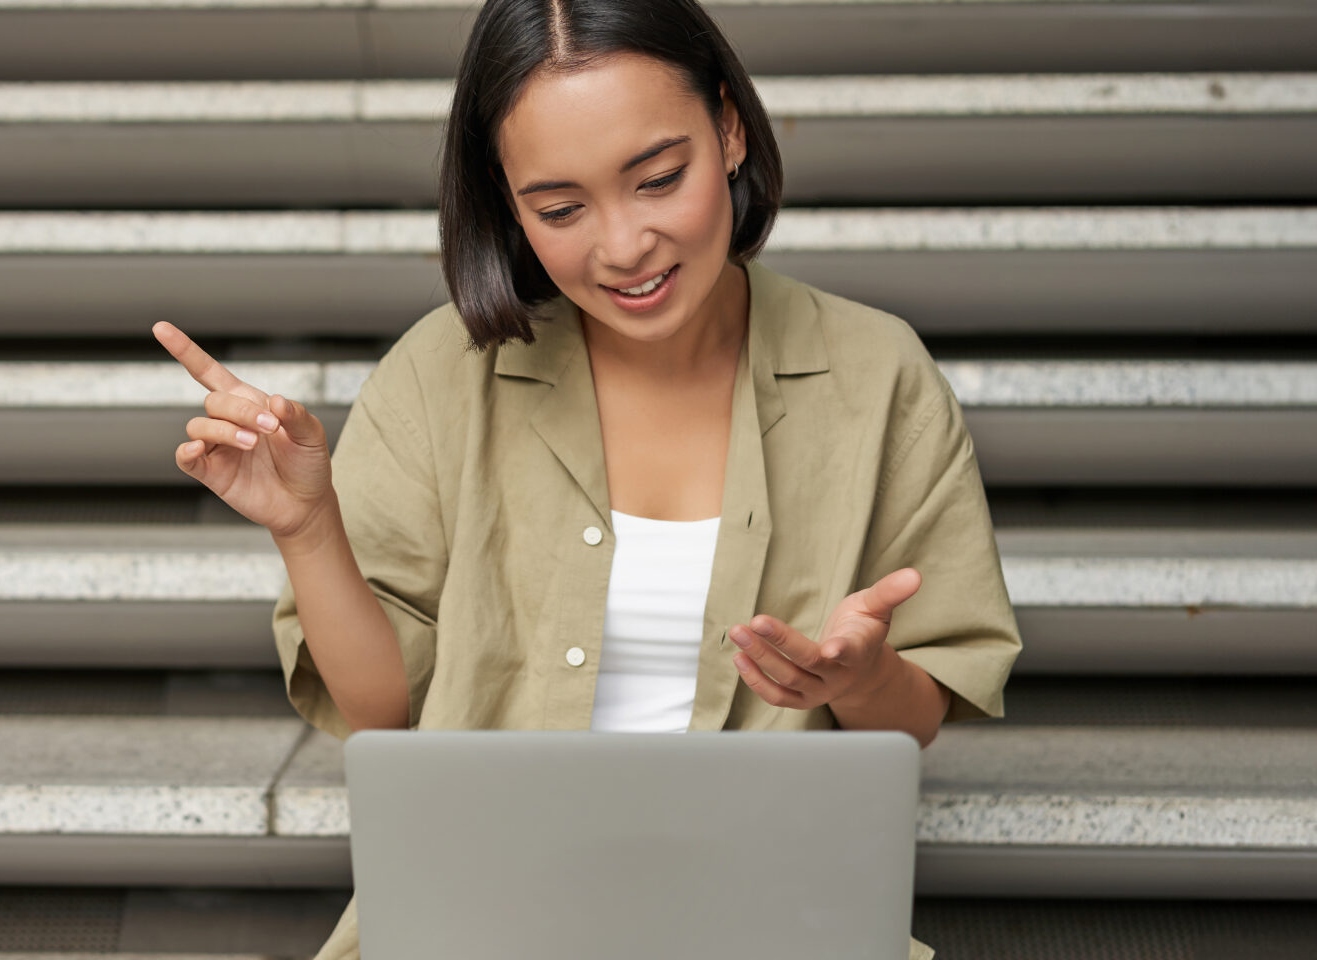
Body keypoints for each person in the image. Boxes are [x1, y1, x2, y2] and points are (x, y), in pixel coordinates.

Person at [152, 0, 1022, 955]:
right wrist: (308, 528)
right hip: (487, 924)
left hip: (766, 924)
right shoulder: (441, 375)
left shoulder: (877, 374)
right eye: (560, 209)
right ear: (508, 203)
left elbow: (917, 719)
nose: (622, 246)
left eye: (659, 179)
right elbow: (381, 713)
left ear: (730, 129)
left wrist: (861, 677)